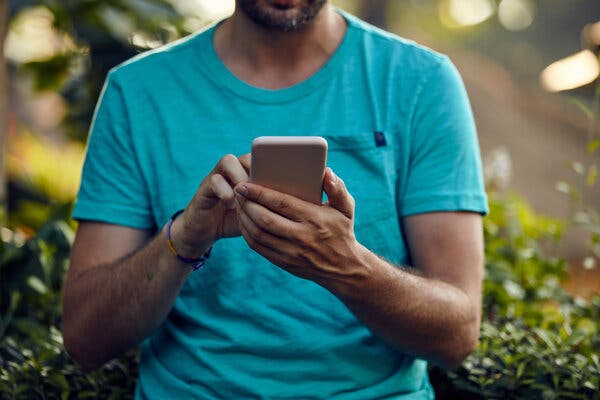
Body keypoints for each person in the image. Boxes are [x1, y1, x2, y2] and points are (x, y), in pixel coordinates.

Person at [62, 0, 488, 398]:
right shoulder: (138, 92)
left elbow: (457, 335)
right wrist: (183, 239)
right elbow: (85, 339)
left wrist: (346, 266)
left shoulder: (421, 82)